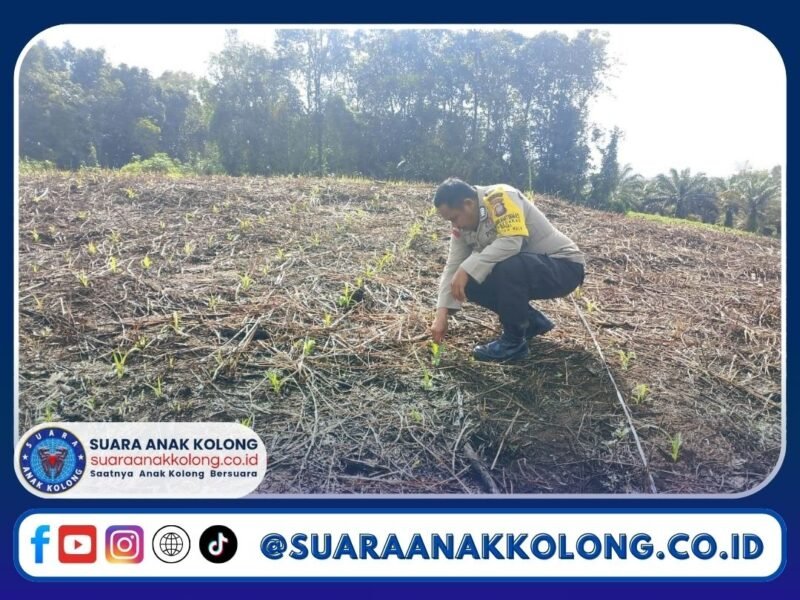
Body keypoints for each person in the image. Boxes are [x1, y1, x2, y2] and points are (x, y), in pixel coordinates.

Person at [430, 177, 585, 362]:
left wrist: (466, 269)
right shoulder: (463, 227)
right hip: (527, 268)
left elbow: (512, 242)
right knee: (467, 282)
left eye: (454, 218)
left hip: (563, 267)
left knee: (505, 266)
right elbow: (453, 265)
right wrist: (441, 314)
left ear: (468, 204)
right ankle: (529, 322)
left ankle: (514, 343)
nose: (455, 225)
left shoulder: (500, 197)